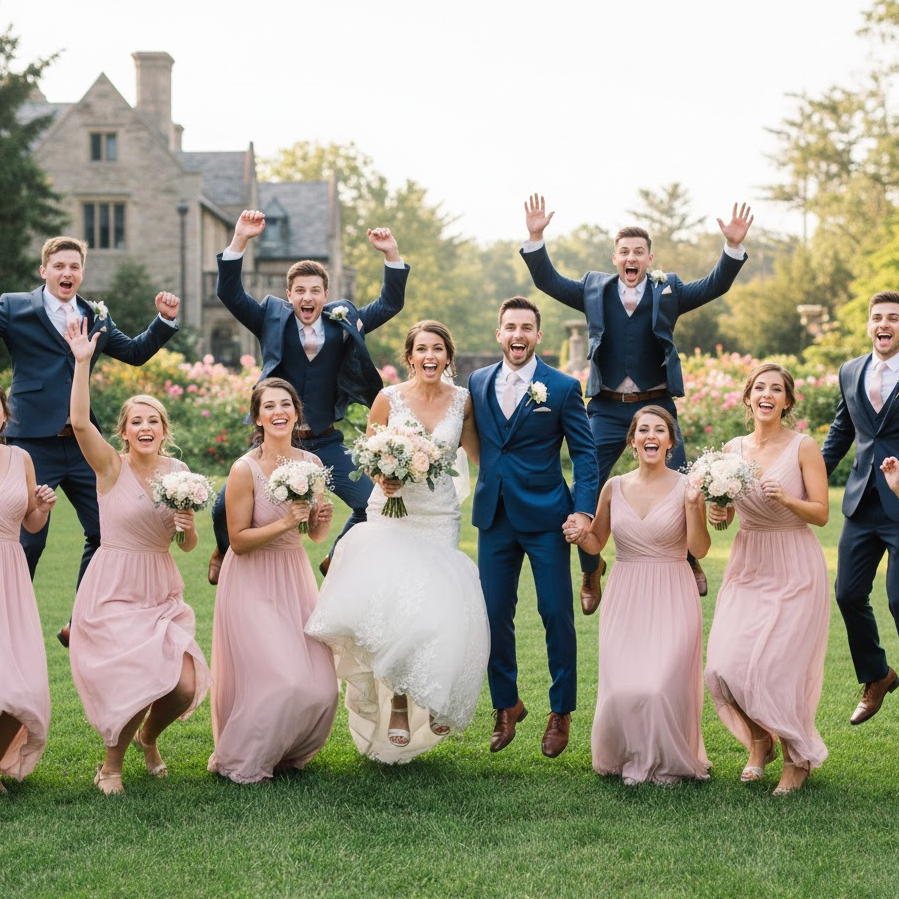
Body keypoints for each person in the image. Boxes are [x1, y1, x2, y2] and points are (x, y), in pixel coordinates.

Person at [519, 195, 752, 609]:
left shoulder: (669, 290)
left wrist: (732, 248)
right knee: (586, 487)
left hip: (657, 404)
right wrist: (536, 238)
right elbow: (549, 282)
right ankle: (592, 568)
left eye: (639, 252)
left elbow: (714, 284)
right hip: (607, 408)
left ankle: (687, 556)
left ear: (649, 258)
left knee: (683, 483)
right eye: (624, 251)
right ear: (615, 257)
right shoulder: (594, 289)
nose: (631, 258)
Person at [305, 321, 488, 763]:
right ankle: (400, 705)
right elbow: (368, 455)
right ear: (410, 357)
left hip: (438, 515)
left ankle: (438, 697)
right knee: (394, 612)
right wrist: (382, 477)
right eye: (421, 348)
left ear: (448, 357)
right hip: (390, 515)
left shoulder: (462, 402)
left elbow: (481, 458)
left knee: (438, 610)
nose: (430, 356)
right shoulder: (388, 399)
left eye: (438, 349)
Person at [208, 211, 409, 585]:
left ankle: (336, 556)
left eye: (315, 290)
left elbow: (388, 305)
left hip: (325, 442)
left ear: (325, 296)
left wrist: (391, 255)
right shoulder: (269, 316)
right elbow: (229, 293)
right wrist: (240, 239)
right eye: (300, 290)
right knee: (222, 505)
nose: (307, 296)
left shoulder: (344, 322)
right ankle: (222, 548)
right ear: (289, 295)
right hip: (272, 442)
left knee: (373, 504)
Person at [0, 236, 180, 647]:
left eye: (74, 267)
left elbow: (134, 352)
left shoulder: (94, 314)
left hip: (81, 442)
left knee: (106, 531)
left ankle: (78, 620)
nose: (67, 273)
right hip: (30, 441)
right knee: (27, 537)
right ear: (44, 270)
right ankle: (9, 619)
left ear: (82, 272)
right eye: (59, 266)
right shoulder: (13, 307)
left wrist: (164, 321)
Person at [63, 319, 211, 795]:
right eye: (137, 420)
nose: (145, 426)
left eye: (154, 420)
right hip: (113, 585)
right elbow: (81, 423)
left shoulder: (180, 473)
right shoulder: (109, 467)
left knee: (184, 685)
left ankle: (150, 738)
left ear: (164, 431)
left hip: (160, 585)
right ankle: (111, 766)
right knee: (132, 680)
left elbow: (187, 547)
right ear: (124, 431)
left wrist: (187, 529)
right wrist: (82, 362)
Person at [469, 296, 598, 758]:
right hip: (494, 517)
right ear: (498, 333)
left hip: (547, 516)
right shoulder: (478, 381)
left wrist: (583, 511)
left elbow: (585, 455)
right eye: (510, 327)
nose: (518, 335)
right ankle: (506, 704)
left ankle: (560, 711)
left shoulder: (562, 387)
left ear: (538, 336)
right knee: (493, 616)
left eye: (526, 327)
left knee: (554, 612)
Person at [705, 364, 829, 795]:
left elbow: (822, 512)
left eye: (777, 389)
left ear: (787, 402)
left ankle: (796, 758)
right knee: (723, 664)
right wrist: (718, 513)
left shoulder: (803, 447)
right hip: (748, 562)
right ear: (748, 397)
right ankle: (760, 741)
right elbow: (726, 517)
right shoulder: (733, 450)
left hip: (794, 563)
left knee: (776, 665)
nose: (768, 394)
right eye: (760, 387)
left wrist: (788, 499)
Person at [208, 378, 338, 783]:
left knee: (322, 687)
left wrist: (318, 523)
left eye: (286, 404)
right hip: (251, 578)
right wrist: (286, 520)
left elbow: (312, 537)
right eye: (269, 406)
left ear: (297, 413)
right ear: (258, 416)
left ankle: (286, 752)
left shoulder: (312, 464)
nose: (278, 412)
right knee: (282, 679)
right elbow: (238, 542)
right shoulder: (244, 469)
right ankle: (243, 758)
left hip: (293, 575)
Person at [575, 406, 711, 785]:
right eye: (643, 430)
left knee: (659, 684)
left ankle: (665, 760)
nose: (651, 436)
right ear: (632, 441)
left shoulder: (688, 487)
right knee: (623, 686)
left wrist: (693, 508)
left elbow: (699, 550)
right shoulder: (614, 486)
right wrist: (578, 532)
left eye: (660, 430)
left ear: (670, 442)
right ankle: (630, 754)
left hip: (672, 589)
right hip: (626, 590)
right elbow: (597, 540)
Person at [822, 290, 899, 725]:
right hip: (861, 503)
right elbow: (840, 432)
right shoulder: (851, 370)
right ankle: (877, 675)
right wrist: (805, 475)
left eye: (893, 318)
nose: (884, 324)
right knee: (848, 594)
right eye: (877, 318)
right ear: (869, 325)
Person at [0, 385, 56, 794]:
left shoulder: (21, 458)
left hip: (10, 573)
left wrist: (42, 506)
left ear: (5, 414)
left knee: (23, 684)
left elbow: (30, 524)